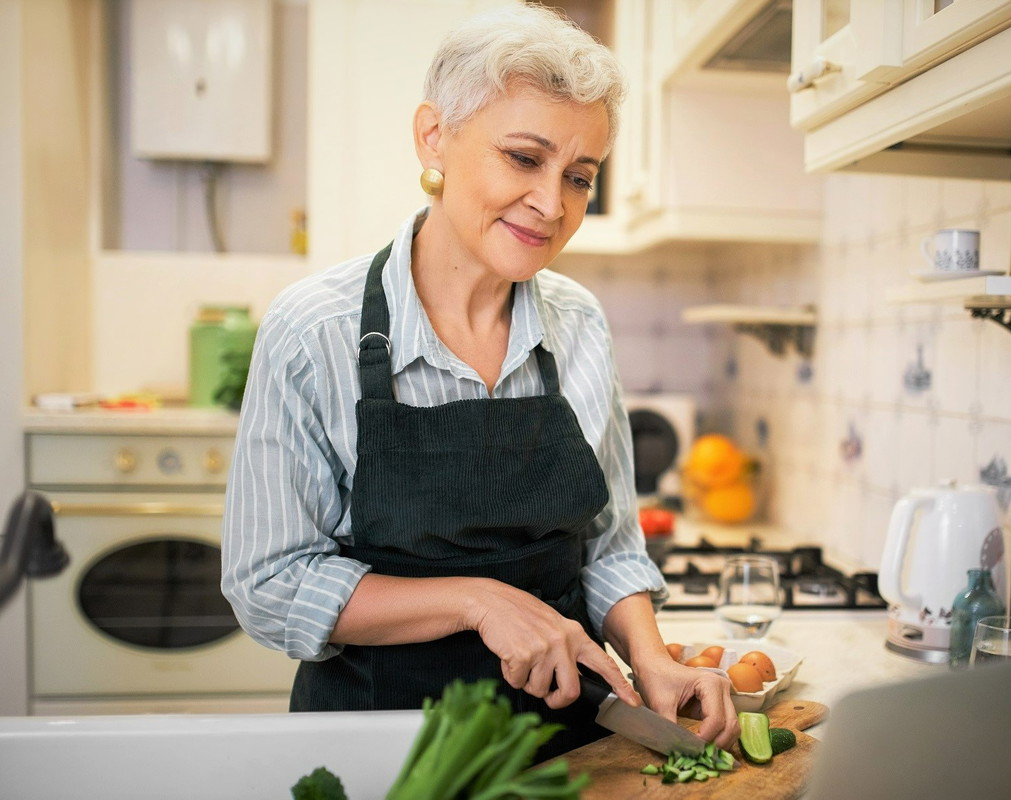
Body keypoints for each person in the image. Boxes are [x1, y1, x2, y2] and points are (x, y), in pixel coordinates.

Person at [220, 4, 738, 760]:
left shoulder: (579, 324)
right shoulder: (313, 332)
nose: (552, 204)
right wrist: (478, 602)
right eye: (524, 158)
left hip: (564, 750)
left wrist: (651, 657)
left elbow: (608, 546)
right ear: (434, 136)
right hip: (381, 750)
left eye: (579, 177)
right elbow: (269, 584)